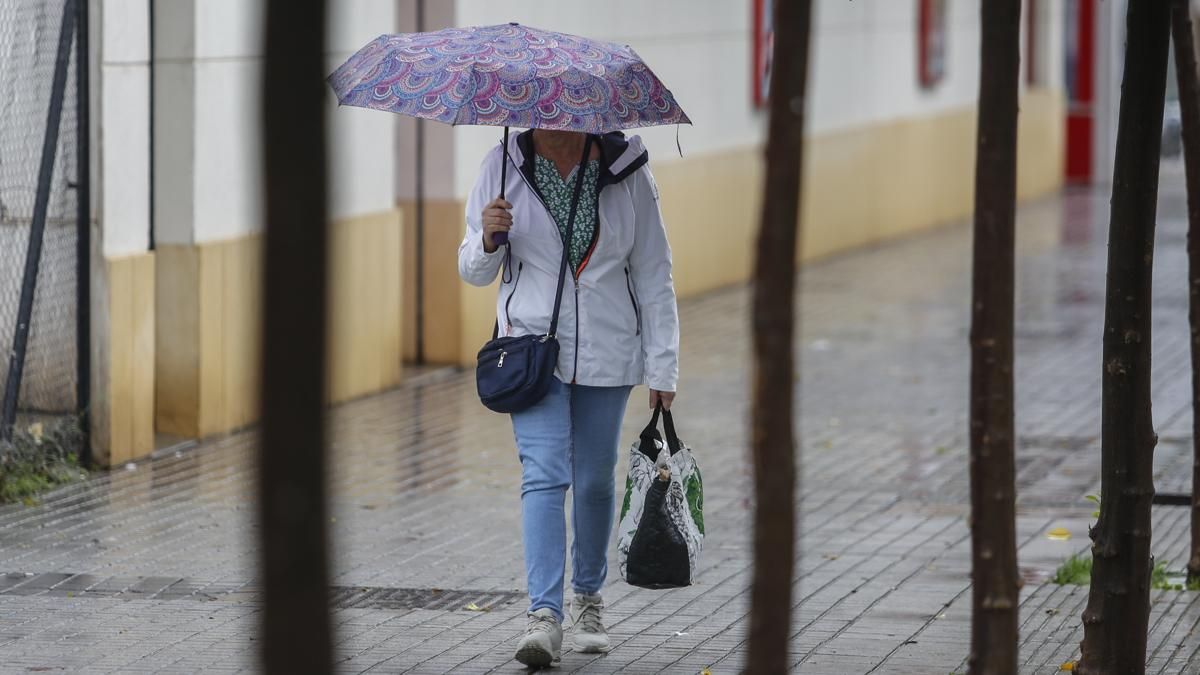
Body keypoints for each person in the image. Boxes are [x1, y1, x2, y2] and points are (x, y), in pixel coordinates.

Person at [458, 128, 679, 666]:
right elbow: (472, 268)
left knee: (595, 480)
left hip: (608, 346)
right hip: (533, 351)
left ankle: (587, 598)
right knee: (544, 473)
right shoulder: (503, 163)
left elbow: (654, 271)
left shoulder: (627, 172)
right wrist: (488, 238)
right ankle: (544, 616)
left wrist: (663, 363)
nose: (554, 118)